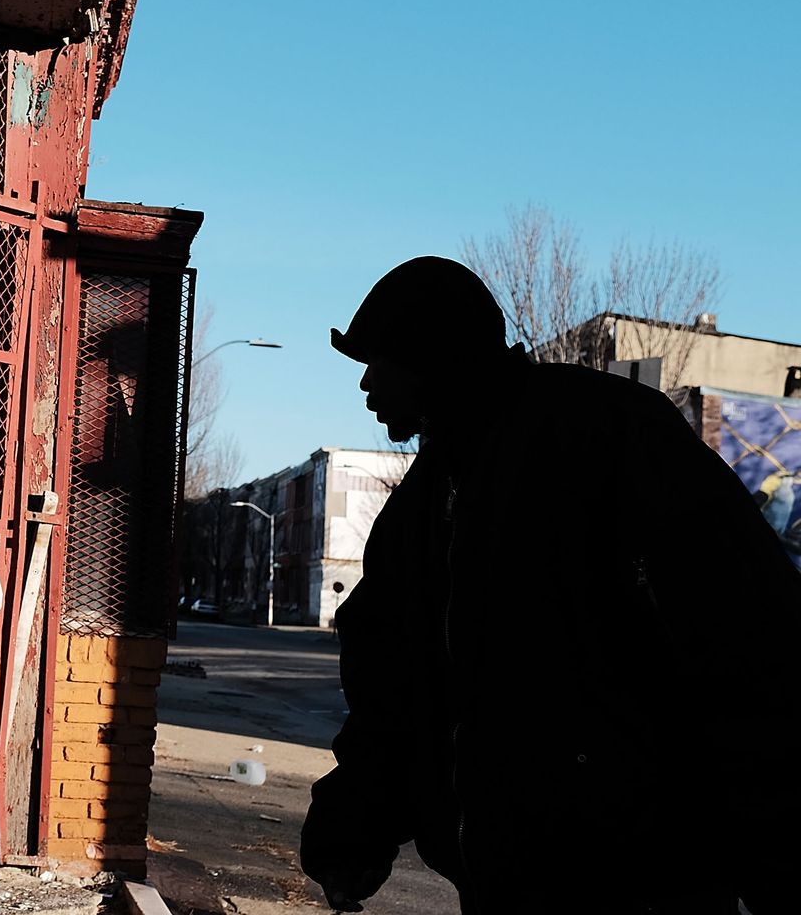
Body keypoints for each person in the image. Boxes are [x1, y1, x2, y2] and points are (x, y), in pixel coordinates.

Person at [301, 256, 799, 914]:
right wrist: (355, 826)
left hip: (643, 878)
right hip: (504, 881)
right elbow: (395, 693)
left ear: (432, 357)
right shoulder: (426, 505)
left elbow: (746, 638)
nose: (367, 383)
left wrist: (773, 861)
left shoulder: (603, 436)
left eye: (380, 360)